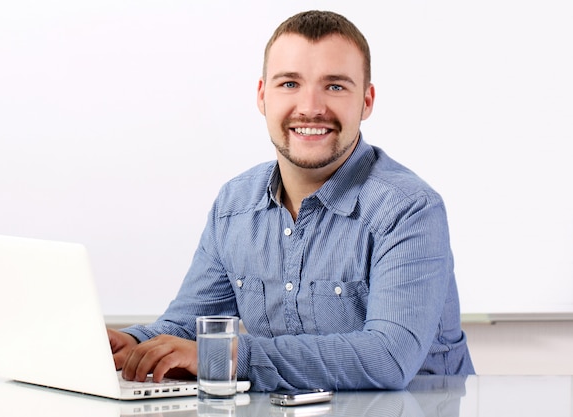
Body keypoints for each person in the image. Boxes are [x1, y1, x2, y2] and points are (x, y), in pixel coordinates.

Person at [108, 9, 475, 391]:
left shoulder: (409, 208)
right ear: (262, 96)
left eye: (335, 86)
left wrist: (230, 357)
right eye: (289, 84)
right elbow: (188, 328)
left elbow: (387, 358)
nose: (311, 107)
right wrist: (131, 344)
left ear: (367, 101)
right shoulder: (235, 205)